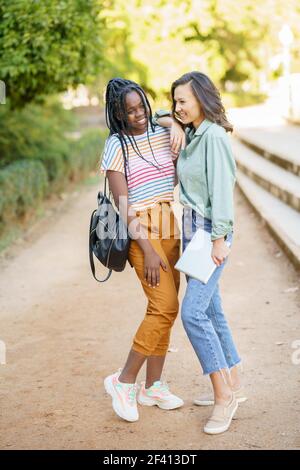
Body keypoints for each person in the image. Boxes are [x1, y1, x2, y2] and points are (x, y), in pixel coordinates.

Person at [156, 71, 246, 435]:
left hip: (211, 230)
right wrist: (168, 119)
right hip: (192, 228)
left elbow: (223, 189)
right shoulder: (191, 132)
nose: (177, 107)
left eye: (183, 101)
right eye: (175, 101)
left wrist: (220, 239)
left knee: (192, 313)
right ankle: (236, 383)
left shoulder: (213, 139)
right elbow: (151, 113)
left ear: (202, 100)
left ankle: (224, 396)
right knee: (211, 308)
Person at [100, 78, 185, 422]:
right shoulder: (116, 146)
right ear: (117, 115)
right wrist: (148, 250)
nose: (137, 115)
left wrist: (171, 120)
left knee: (169, 308)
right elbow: (123, 205)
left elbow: (174, 122)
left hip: (169, 222)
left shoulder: (162, 132)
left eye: (140, 107)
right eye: (128, 111)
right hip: (143, 232)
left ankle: (154, 386)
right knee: (162, 305)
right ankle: (124, 381)